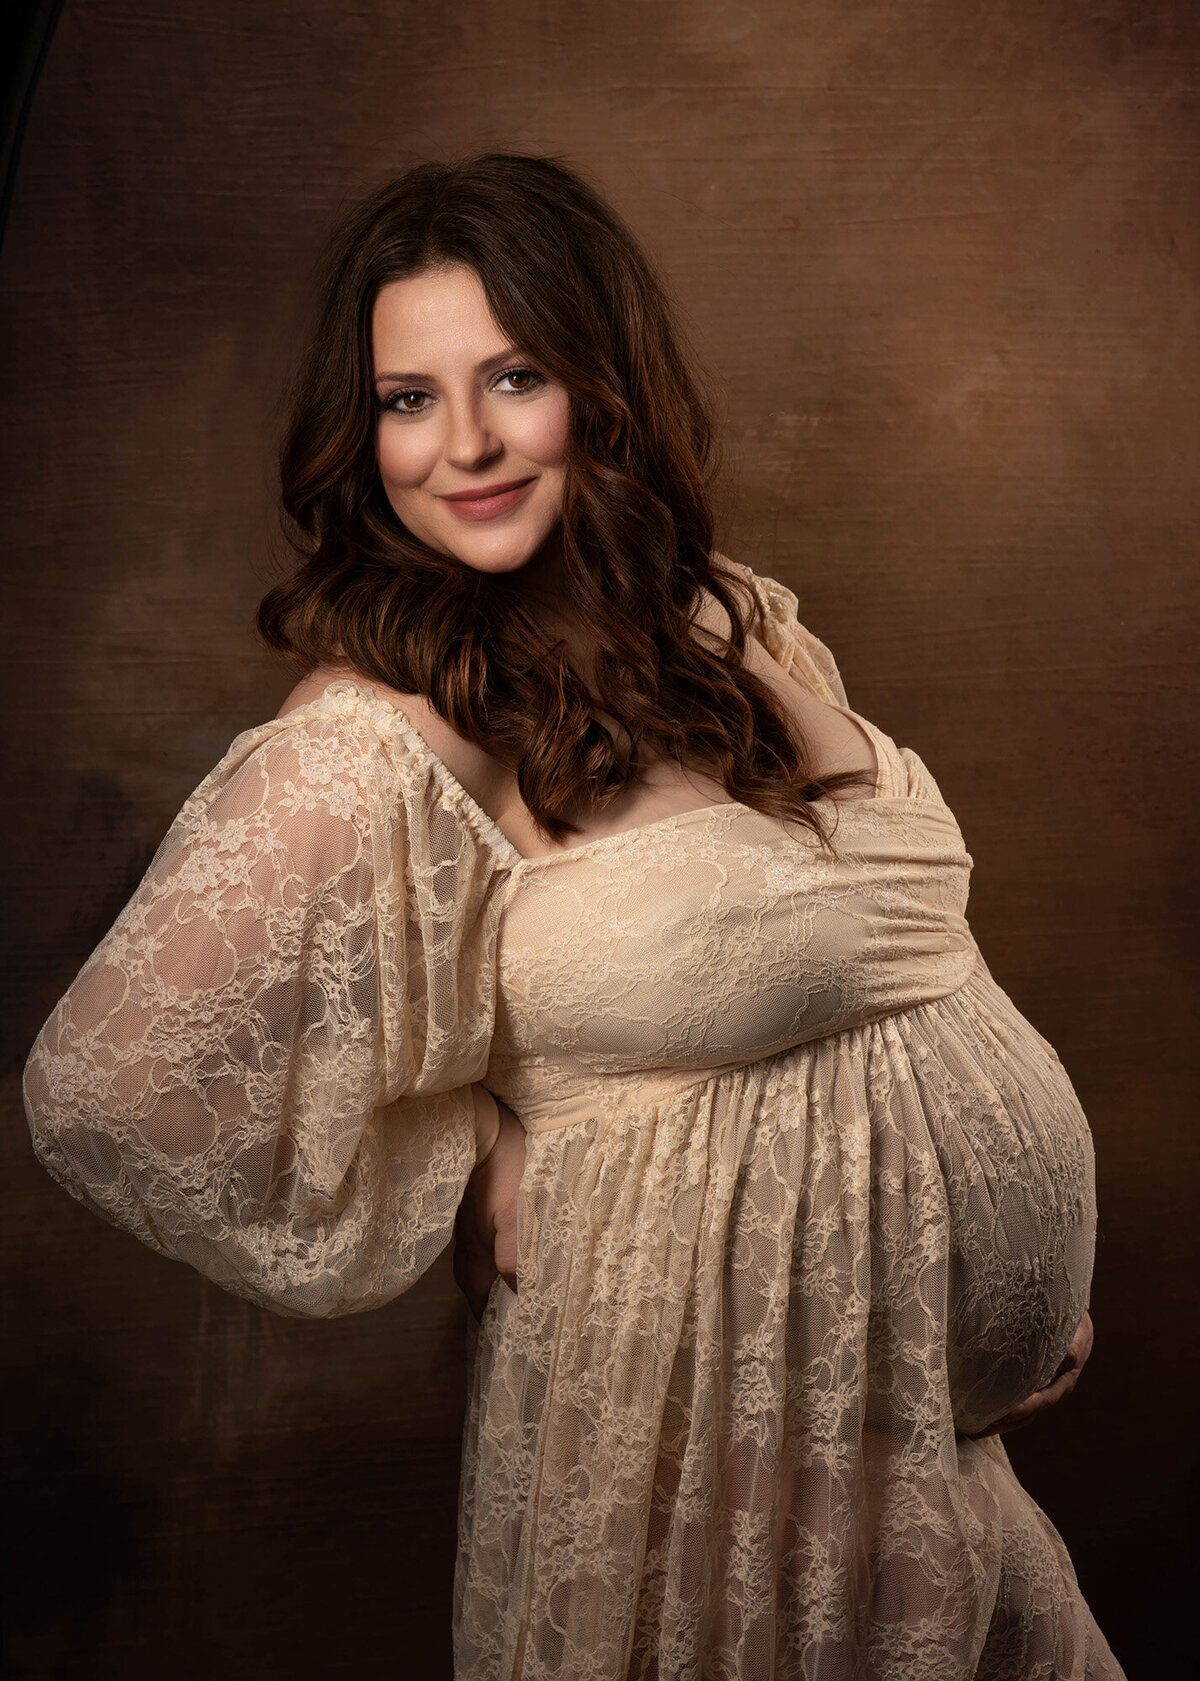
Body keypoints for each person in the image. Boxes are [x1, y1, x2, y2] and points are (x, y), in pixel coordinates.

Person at [23, 152, 1125, 1680]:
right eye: (408, 397)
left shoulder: (729, 617)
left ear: (601, 388)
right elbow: (110, 1090)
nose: (460, 443)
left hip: (931, 1460)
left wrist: (989, 1285)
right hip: (702, 1481)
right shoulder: (384, 737)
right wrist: (470, 1146)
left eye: (513, 375)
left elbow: (875, 966)